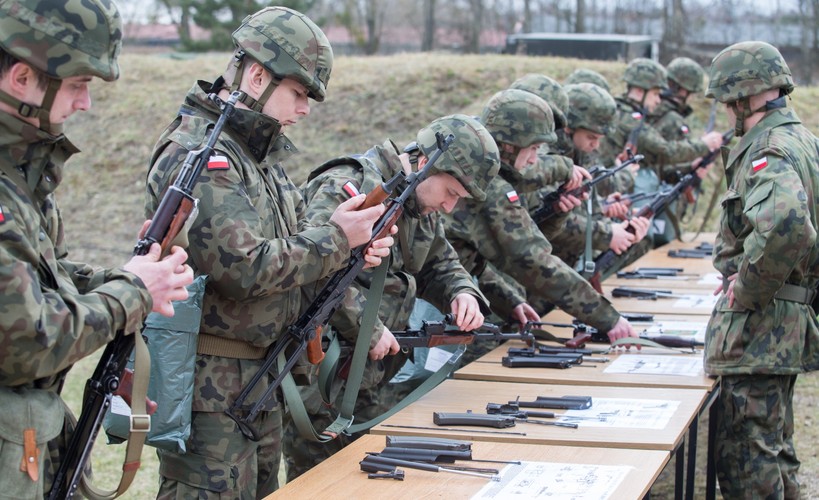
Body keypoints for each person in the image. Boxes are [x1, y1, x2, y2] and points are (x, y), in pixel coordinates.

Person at [144, 7, 393, 498]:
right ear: (257, 75)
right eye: (299, 94)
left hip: (261, 378)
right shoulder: (201, 155)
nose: (304, 109)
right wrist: (336, 239)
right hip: (210, 386)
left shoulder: (260, 160)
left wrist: (350, 247)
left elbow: (297, 251)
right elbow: (243, 268)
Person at [0, 0, 193, 497]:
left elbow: (47, 275)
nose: (85, 104)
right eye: (79, 85)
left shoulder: (22, 178)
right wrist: (132, 291)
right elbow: (27, 343)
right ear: (23, 78)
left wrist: (126, 277)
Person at [282, 114, 499, 480]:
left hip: (371, 374)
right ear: (428, 165)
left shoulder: (419, 206)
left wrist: (463, 293)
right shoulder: (349, 187)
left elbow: (441, 262)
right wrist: (368, 324)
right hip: (324, 376)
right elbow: (308, 270)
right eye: (450, 193)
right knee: (319, 482)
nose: (449, 207)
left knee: (364, 480)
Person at [704, 41, 819, 500]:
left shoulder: (768, 149)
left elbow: (788, 224)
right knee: (774, 453)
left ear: (744, 99)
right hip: (784, 323)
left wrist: (746, 288)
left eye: (728, 100)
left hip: (760, 331)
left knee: (748, 465)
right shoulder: (804, 141)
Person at [441, 88, 638, 343]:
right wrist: (608, 319)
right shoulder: (491, 188)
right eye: (533, 148)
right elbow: (534, 261)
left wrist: (509, 301)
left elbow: (468, 257)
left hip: (451, 296)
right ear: (510, 146)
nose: (535, 160)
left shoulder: (483, 175)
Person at [597, 57, 723, 249]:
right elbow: (666, 151)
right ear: (640, 91)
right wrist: (704, 144)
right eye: (655, 93)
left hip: (611, 192)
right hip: (613, 193)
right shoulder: (631, 119)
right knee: (638, 243)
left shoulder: (620, 112)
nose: (659, 98)